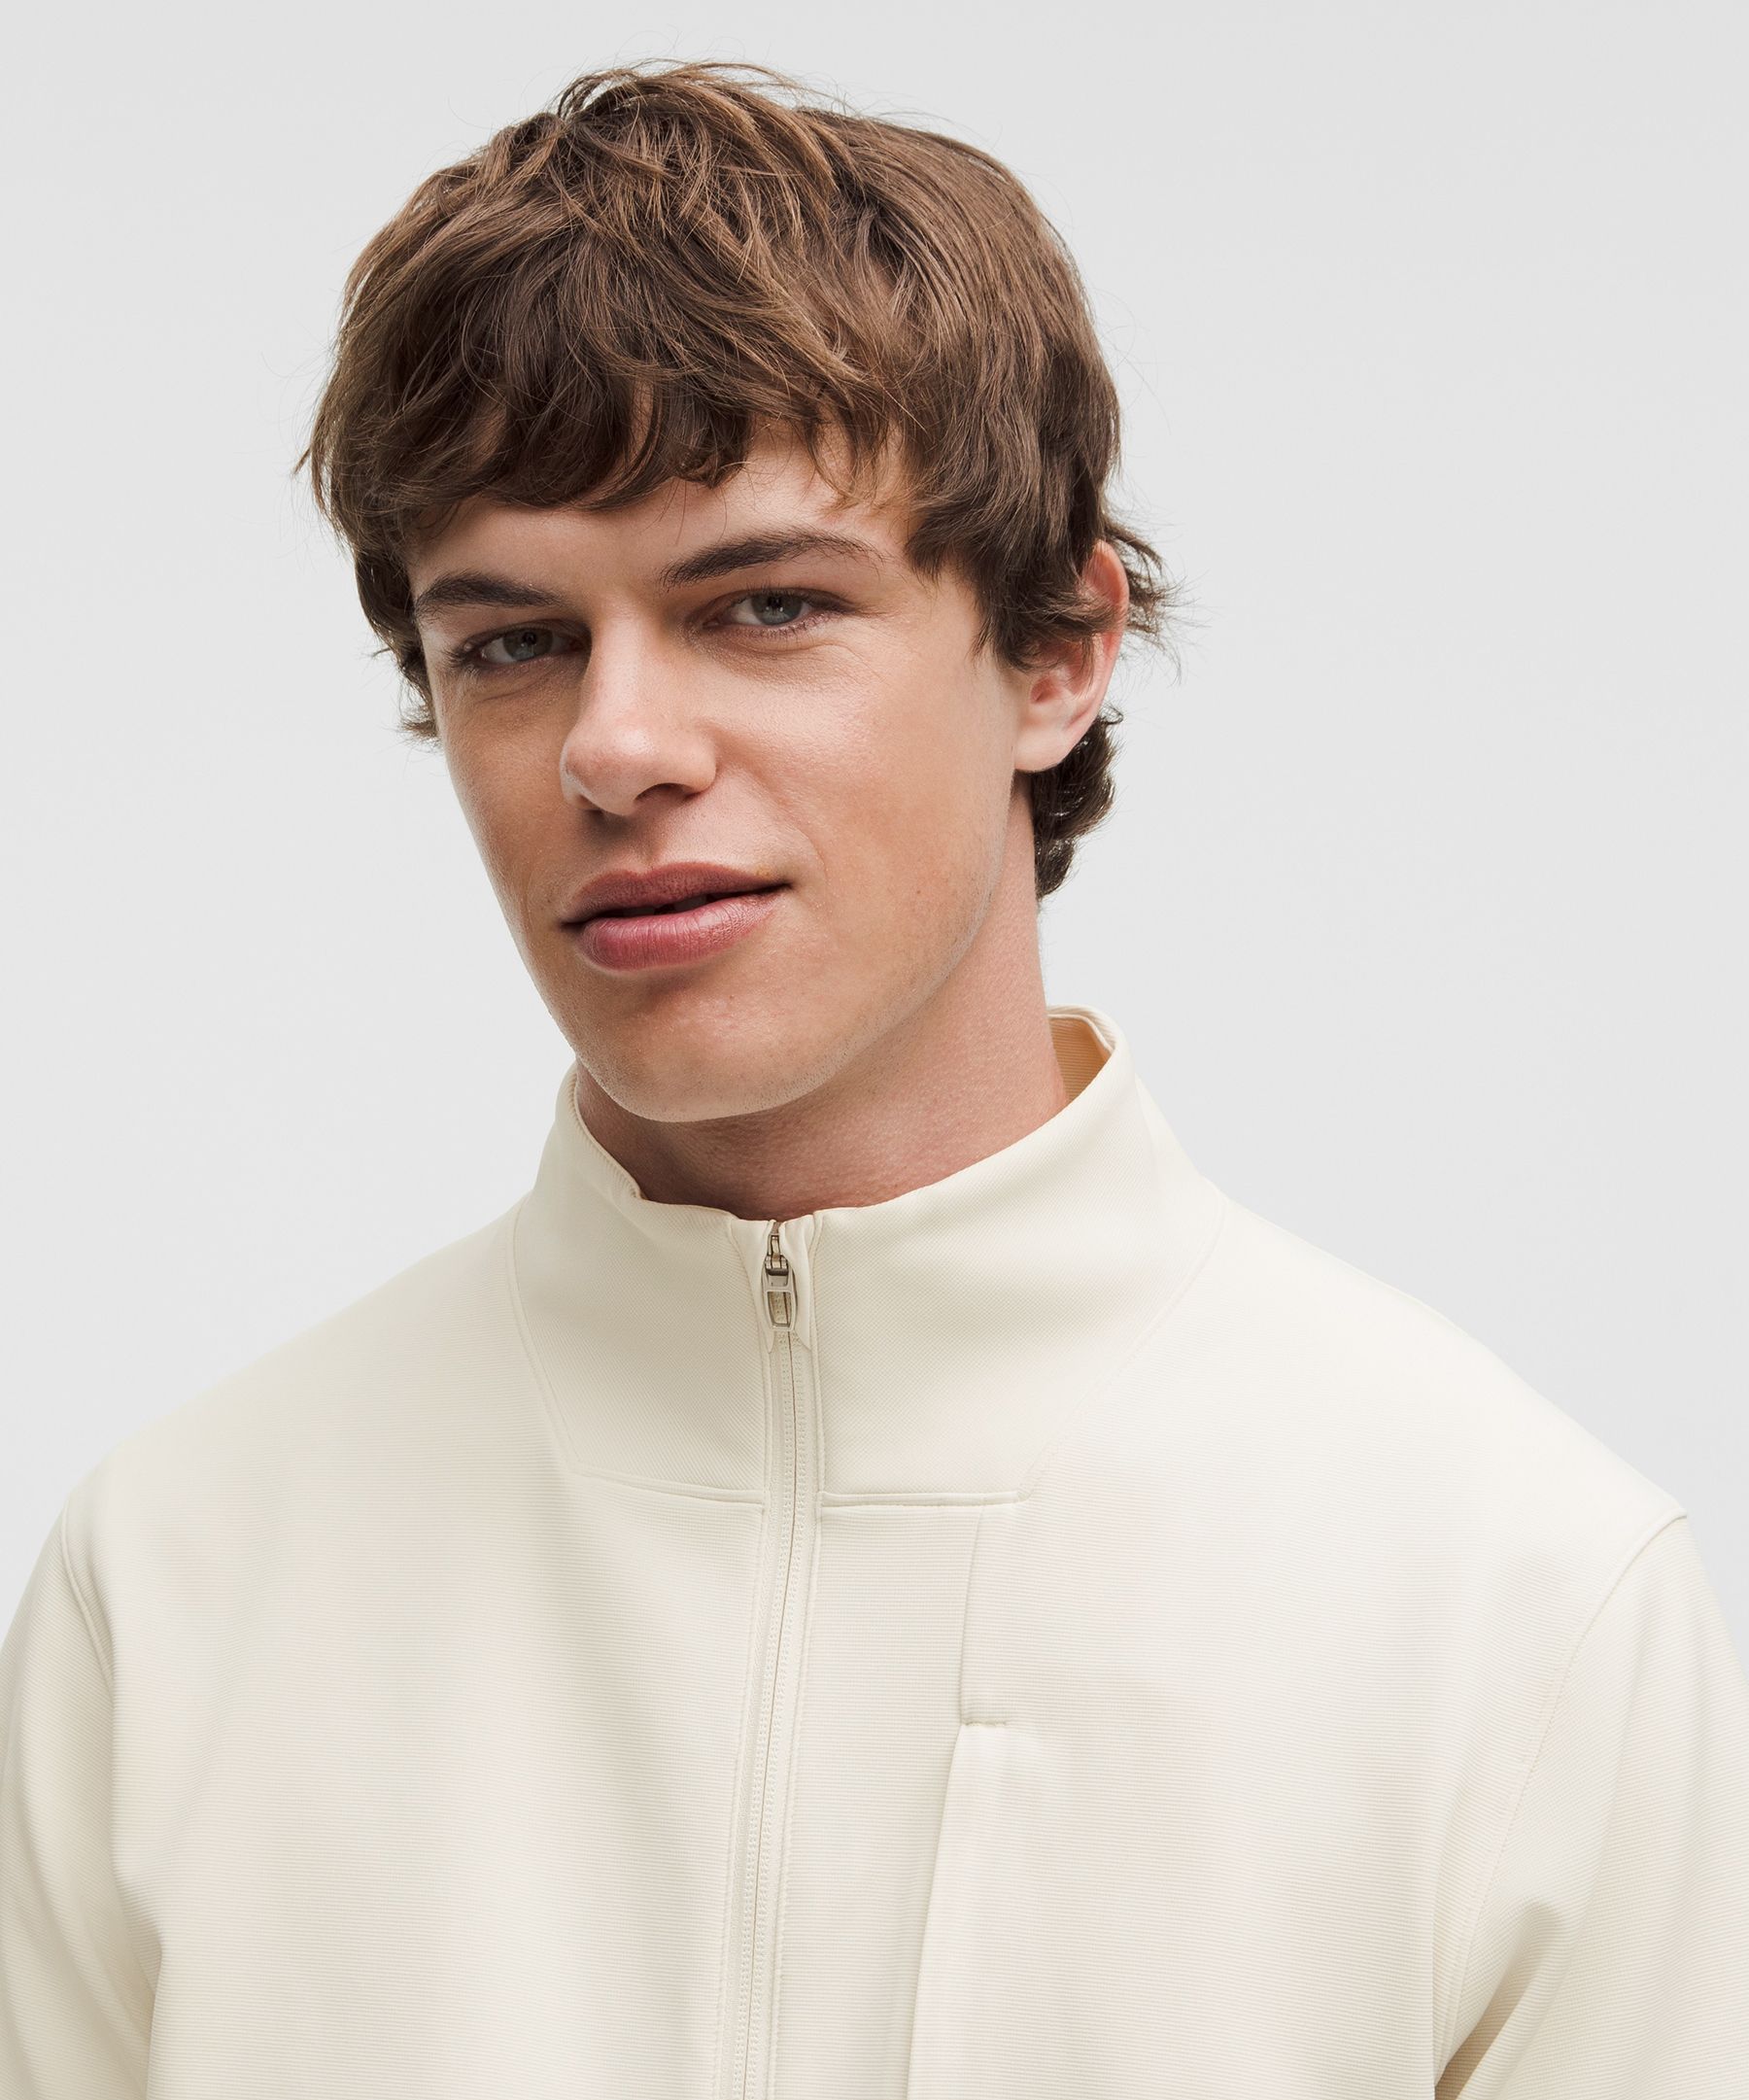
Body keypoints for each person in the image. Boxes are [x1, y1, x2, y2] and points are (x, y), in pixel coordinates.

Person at [2, 55, 1745, 2100]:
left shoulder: (1510, 1602)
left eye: (762, 605)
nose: (616, 746)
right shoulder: (180, 1583)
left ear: (1055, 650)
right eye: (512, 642)